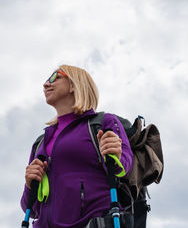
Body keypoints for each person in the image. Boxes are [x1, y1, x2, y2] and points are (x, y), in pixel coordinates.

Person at [20, 64, 133, 228]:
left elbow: (124, 167)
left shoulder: (103, 122)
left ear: (74, 84)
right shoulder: (41, 142)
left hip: (95, 222)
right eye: (46, 80)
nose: (46, 84)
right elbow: (31, 208)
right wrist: (29, 184)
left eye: (55, 77)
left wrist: (115, 154)